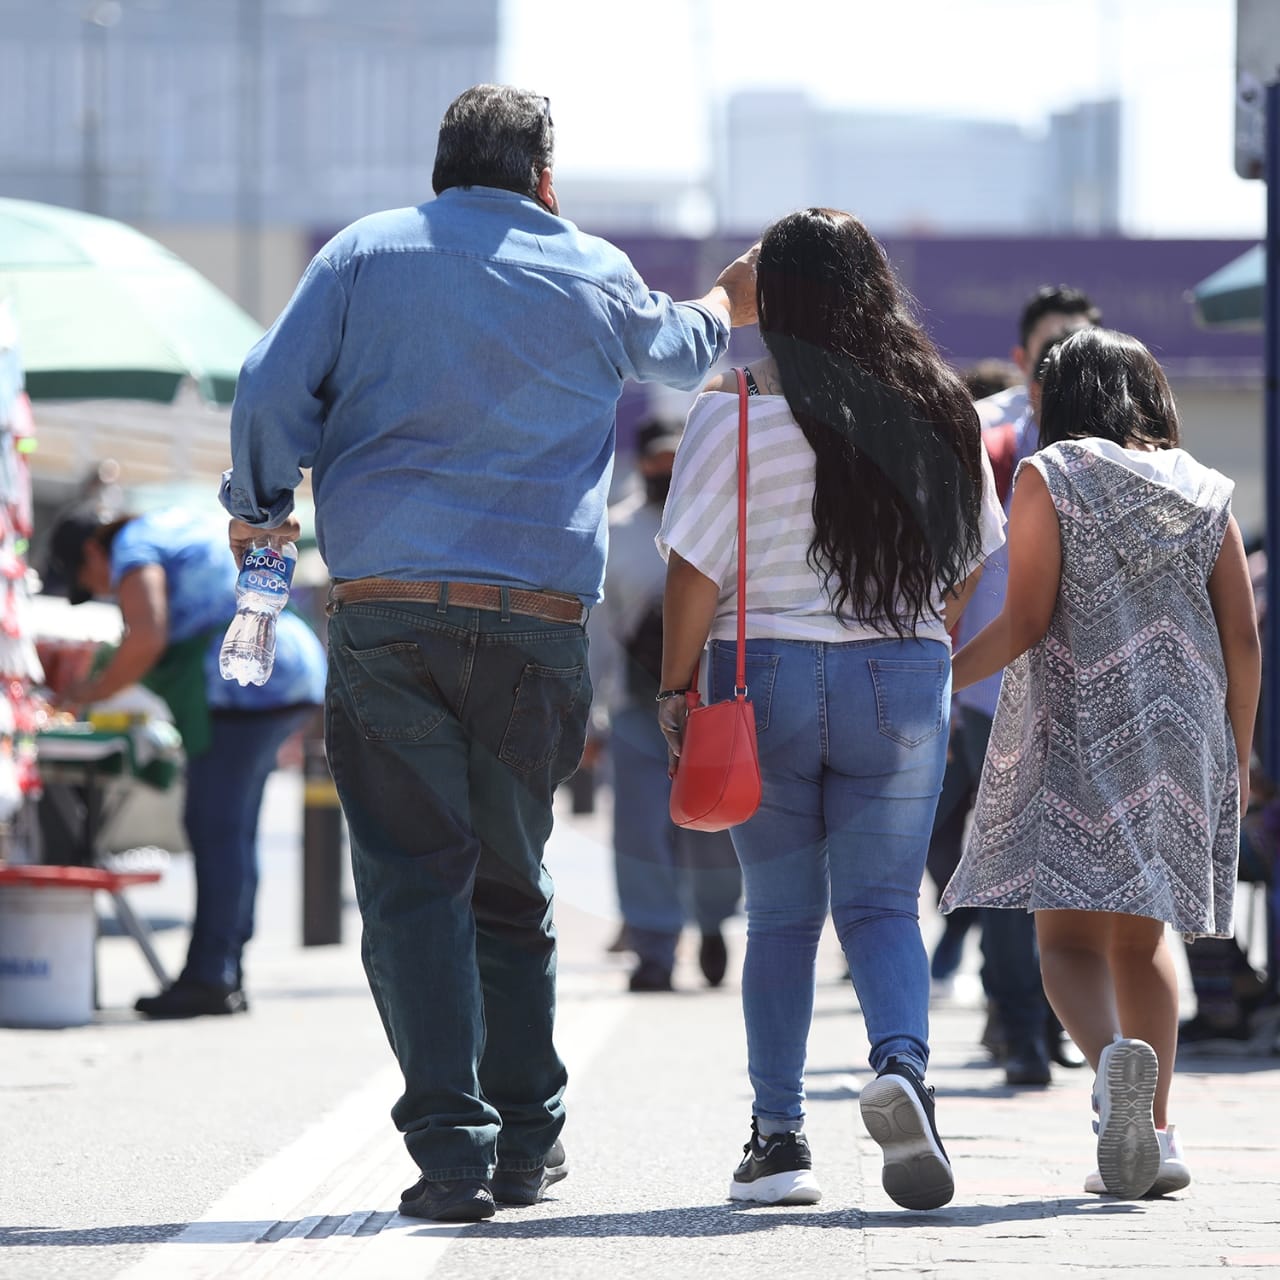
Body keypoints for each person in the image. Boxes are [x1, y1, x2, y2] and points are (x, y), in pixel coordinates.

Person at [218, 84, 758, 1224]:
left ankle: (453, 1154)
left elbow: (267, 389)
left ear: (440, 166)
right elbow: (679, 350)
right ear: (544, 178)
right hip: (535, 626)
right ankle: (526, 1140)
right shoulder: (590, 266)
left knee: (414, 886)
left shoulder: (363, 254)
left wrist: (261, 507)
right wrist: (729, 294)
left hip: (389, 613)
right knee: (513, 879)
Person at [657, 207, 1005, 1211]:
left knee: (779, 919)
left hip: (759, 671)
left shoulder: (732, 407)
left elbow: (692, 571)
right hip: (900, 670)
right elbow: (967, 561)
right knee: (884, 908)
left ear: (772, 298)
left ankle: (778, 1140)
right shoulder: (942, 405)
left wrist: (675, 689)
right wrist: (915, 639)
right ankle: (902, 1070)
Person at [942, 328, 1261, 1199]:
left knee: (1068, 940)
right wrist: (1234, 754)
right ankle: (1156, 1132)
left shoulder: (1051, 474)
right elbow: (1242, 637)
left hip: (1080, 722)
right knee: (1143, 936)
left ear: (1062, 398)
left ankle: (1111, 1063)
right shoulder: (1204, 485)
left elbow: (1027, 620)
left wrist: (938, 674)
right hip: (1183, 734)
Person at [44, 505, 326, 1018]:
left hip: (247, 687)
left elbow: (146, 638)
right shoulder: (171, 524)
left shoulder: (134, 548)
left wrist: (87, 693)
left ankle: (210, 976)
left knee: (216, 829)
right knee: (233, 832)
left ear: (91, 551)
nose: (103, 591)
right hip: (286, 671)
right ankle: (224, 970)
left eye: (89, 581)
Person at [929, 285, 1101, 1087]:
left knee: (1076, 864)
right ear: (1024, 358)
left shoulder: (1117, 442)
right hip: (990, 692)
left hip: (1091, 691)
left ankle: (1061, 1020)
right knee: (1006, 863)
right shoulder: (987, 435)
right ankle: (1022, 1024)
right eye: (1052, 349)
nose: (1066, 364)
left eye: (1081, 346)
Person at [587, 419, 742, 993]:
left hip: (713, 704)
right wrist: (590, 714)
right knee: (638, 830)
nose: (666, 470)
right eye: (657, 459)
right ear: (640, 462)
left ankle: (712, 922)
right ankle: (653, 946)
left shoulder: (726, 521)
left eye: (677, 458)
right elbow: (597, 631)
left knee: (714, 828)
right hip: (636, 704)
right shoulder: (615, 531)